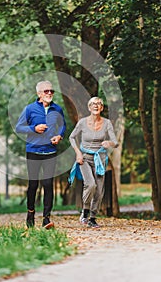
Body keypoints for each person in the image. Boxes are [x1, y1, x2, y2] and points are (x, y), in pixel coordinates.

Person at [16, 81, 66, 229]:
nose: (49, 93)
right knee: (33, 185)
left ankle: (46, 218)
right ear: (39, 94)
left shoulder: (57, 108)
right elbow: (19, 127)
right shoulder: (29, 109)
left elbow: (62, 125)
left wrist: (59, 136)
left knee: (48, 184)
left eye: (51, 91)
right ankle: (30, 213)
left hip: (50, 151)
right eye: (46, 91)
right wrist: (33, 128)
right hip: (33, 151)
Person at [69, 96, 118, 228]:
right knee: (90, 185)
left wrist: (109, 143)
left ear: (102, 108)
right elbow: (72, 137)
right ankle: (85, 211)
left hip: (100, 159)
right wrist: (78, 152)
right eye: (93, 104)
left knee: (99, 190)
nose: (96, 106)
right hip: (84, 158)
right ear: (89, 107)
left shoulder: (107, 123)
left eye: (99, 104)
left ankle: (92, 218)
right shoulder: (83, 122)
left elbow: (116, 142)